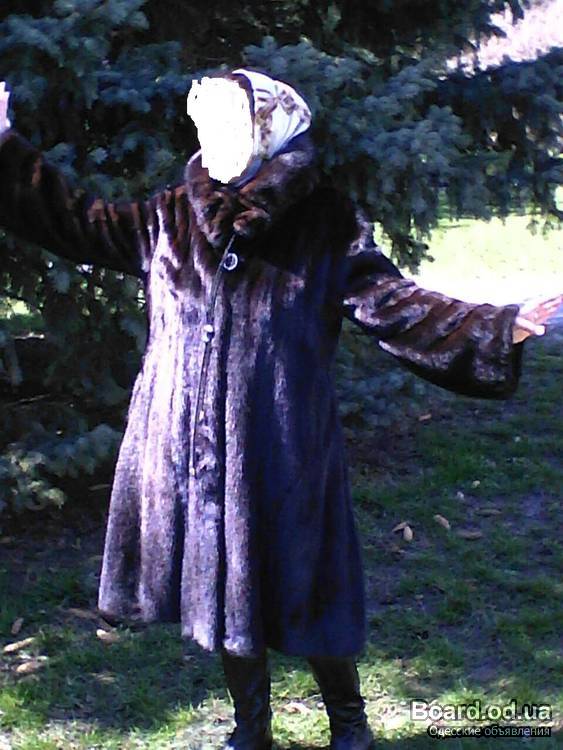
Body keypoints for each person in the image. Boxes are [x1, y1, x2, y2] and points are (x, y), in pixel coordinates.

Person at [0, 72, 560, 750]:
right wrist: (5, 148)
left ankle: (348, 721)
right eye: (205, 124)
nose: (212, 137)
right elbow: (74, 218)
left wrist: (495, 327)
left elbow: (393, 303)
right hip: (192, 448)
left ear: (269, 130)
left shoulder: (322, 220)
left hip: (283, 442)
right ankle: (251, 725)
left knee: (308, 581)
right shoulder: (170, 214)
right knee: (223, 587)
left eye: (229, 123)